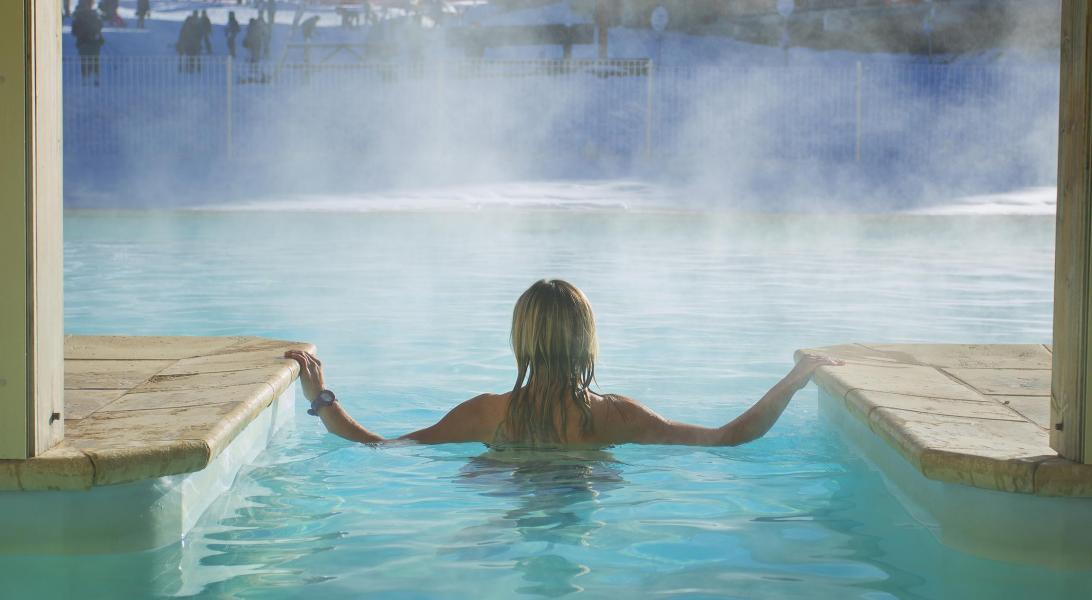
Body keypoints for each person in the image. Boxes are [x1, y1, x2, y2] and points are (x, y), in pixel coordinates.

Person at [286, 279, 842, 446]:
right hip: (581, 495)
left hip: (502, 496)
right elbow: (727, 438)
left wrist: (321, 399)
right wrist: (792, 384)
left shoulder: (487, 413)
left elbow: (382, 448)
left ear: (519, 341)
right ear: (586, 341)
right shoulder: (613, 416)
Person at [71, 0, 104, 85]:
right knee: (86, 61)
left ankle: (94, 78)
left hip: (92, 42)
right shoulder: (80, 14)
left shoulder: (94, 14)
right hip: (84, 42)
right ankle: (86, 79)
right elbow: (75, 30)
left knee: (93, 61)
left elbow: (99, 26)